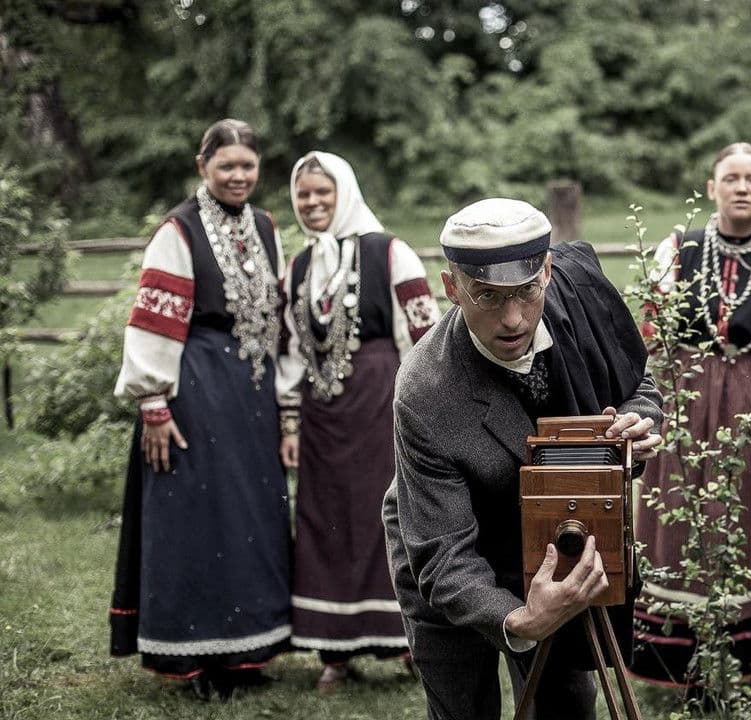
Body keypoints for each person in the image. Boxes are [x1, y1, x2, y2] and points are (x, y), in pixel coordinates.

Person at [382, 198, 664, 720]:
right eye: (487, 296)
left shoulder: (578, 299)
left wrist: (638, 423)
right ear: (452, 288)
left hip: (556, 552)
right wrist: (522, 622)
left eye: (525, 293)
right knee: (463, 709)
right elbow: (443, 558)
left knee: (568, 706)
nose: (512, 320)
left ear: (547, 273)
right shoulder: (424, 391)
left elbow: (637, 383)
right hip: (452, 557)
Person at [629, 142, 751, 714]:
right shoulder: (675, 249)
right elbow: (651, 337)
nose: (742, 187)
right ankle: (686, 669)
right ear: (712, 187)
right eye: (730, 177)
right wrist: (675, 403)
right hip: (685, 410)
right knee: (681, 523)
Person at [108, 119, 292, 702]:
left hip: (252, 391)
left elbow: (277, 313)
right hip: (196, 385)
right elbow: (154, 320)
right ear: (202, 166)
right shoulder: (178, 231)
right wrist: (154, 403)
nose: (238, 176)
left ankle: (246, 651)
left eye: (248, 166)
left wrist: (286, 405)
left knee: (249, 517)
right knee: (199, 515)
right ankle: (196, 657)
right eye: (226, 166)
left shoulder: (264, 226)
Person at [275, 151, 440, 692]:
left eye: (323, 192)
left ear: (344, 192)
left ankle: (408, 642)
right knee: (325, 522)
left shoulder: (389, 252)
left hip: (379, 402)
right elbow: (293, 350)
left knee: (387, 519)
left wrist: (423, 411)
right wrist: (292, 424)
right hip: (323, 413)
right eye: (304, 195)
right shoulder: (298, 266)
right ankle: (334, 649)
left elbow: (424, 338)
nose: (313, 203)